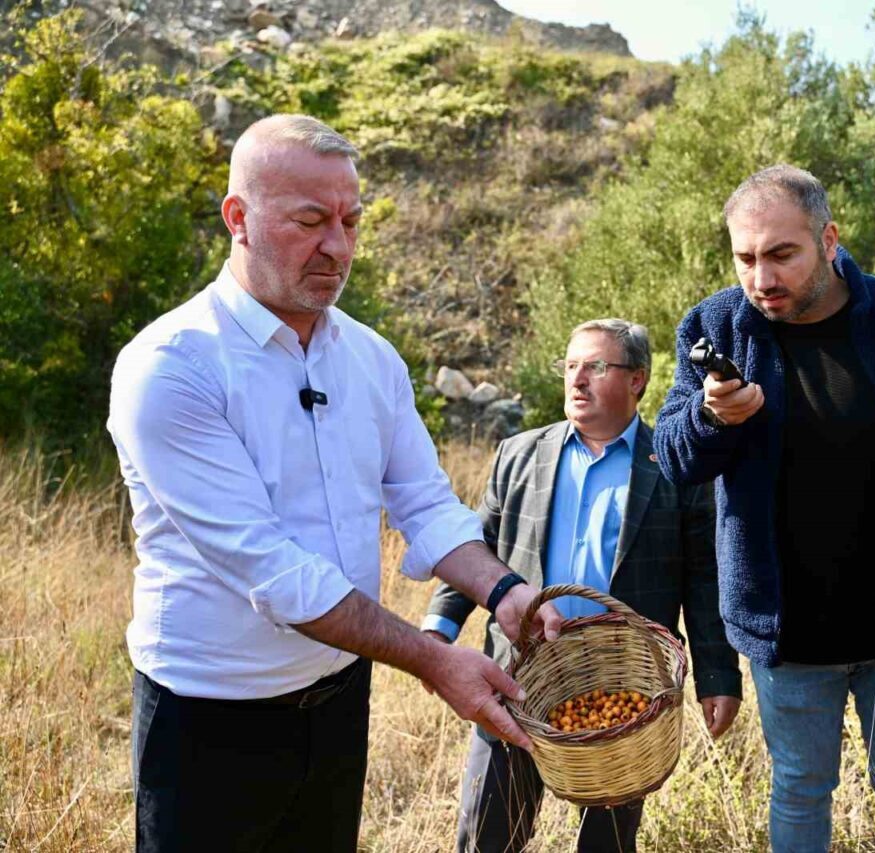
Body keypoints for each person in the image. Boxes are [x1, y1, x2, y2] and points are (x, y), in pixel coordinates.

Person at [107, 114, 560, 852]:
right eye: (311, 221)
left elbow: (424, 501)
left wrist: (507, 592)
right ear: (238, 218)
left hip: (340, 701)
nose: (339, 247)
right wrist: (434, 659)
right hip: (208, 718)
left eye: (351, 221)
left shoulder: (371, 358)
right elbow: (273, 572)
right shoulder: (171, 367)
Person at [652, 164, 875, 853]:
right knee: (799, 786)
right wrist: (711, 417)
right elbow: (673, 457)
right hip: (783, 630)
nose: (762, 278)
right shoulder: (714, 325)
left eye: (782, 254)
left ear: (829, 239)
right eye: (746, 258)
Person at [425, 318, 743, 853]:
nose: (576, 379)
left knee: (607, 844)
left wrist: (718, 675)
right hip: (518, 677)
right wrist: (438, 630)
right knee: (487, 835)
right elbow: (475, 547)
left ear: (637, 379)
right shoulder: (519, 455)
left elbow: (702, 580)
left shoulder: (675, 466)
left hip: (624, 690)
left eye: (595, 366)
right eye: (570, 365)